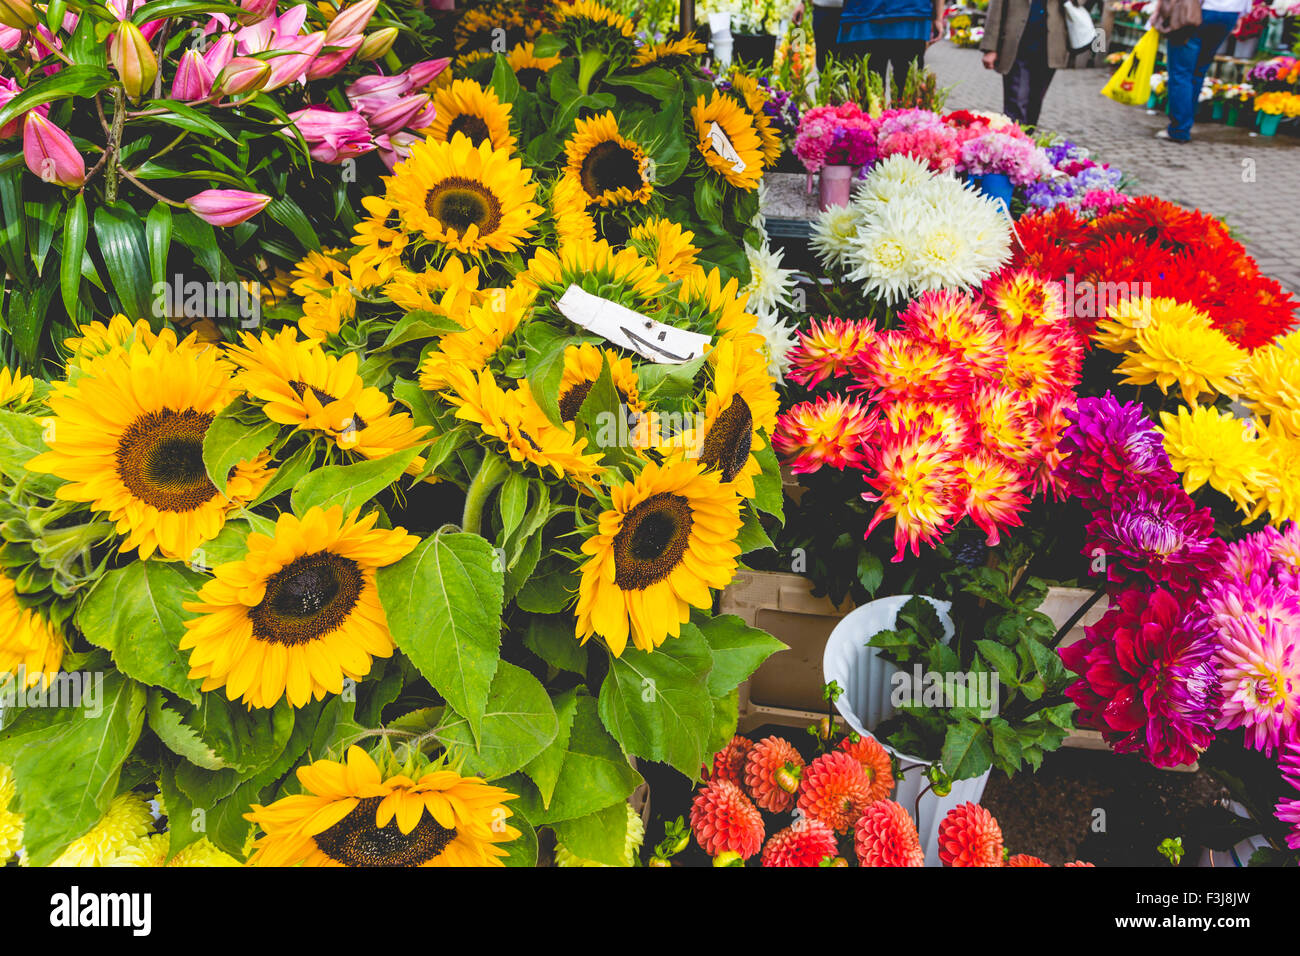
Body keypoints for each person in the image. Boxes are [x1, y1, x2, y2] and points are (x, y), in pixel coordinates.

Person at [1157, 0, 1246, 142]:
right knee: (1197, 72)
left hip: (1196, 10)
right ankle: (1183, 125)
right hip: (1230, 13)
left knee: (1181, 72)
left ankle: (1179, 129)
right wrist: (1241, 13)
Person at [979, 0, 1072, 127]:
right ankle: (1014, 141)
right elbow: (996, 8)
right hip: (1016, 46)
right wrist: (990, 47)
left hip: (1050, 47)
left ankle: (1025, 140)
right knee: (1016, 103)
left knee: (1034, 103)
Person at [836, 0, 947, 93]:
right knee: (907, 99)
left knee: (868, 98)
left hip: (864, 15)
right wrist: (938, 17)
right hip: (909, 14)